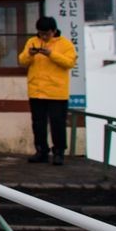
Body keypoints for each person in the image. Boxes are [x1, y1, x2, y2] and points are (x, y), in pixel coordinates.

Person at [20, 16, 78, 164]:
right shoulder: (32, 41)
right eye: (40, 33)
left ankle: (59, 152)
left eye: (46, 33)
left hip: (57, 92)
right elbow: (22, 61)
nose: (43, 36)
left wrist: (51, 54)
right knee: (38, 123)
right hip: (37, 90)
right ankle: (41, 150)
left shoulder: (65, 44)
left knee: (57, 123)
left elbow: (69, 62)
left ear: (53, 31)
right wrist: (30, 54)